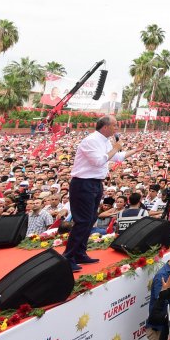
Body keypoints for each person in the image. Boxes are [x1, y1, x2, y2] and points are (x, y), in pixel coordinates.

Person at [63, 115, 142, 272]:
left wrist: (134, 150)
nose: (117, 128)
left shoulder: (105, 141)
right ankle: (67, 258)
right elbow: (99, 161)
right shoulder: (91, 140)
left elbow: (116, 157)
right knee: (83, 221)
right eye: (115, 125)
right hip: (83, 183)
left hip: (95, 183)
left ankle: (80, 253)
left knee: (91, 218)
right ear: (105, 127)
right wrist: (115, 147)